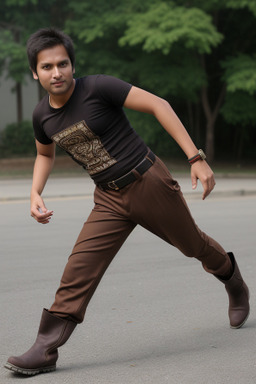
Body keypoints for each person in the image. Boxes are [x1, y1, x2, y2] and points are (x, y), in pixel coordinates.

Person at [5, 28, 249, 376]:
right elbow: (45, 154)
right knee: (79, 266)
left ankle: (233, 281)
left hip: (147, 181)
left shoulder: (98, 87)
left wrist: (196, 158)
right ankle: (45, 348)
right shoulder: (42, 115)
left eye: (62, 64)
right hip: (108, 197)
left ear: (73, 65)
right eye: (47, 67)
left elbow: (157, 105)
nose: (56, 72)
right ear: (35, 72)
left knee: (193, 244)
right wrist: (34, 191)